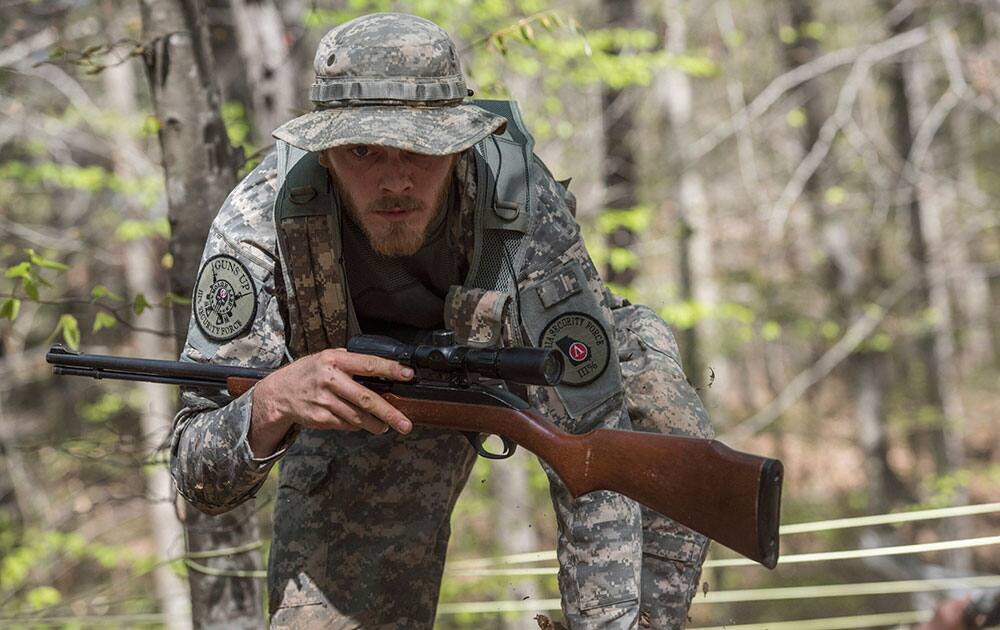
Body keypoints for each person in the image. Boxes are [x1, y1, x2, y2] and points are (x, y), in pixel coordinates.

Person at [170, 12, 713, 629]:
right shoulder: (257, 224)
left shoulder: (521, 208)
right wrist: (271, 404)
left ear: (459, 146)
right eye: (363, 152)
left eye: (421, 151)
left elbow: (594, 437)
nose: (395, 179)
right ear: (322, 153)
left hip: (540, 367)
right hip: (370, 410)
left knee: (656, 418)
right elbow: (197, 473)